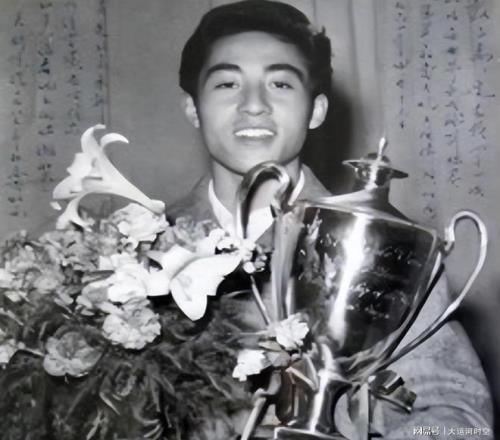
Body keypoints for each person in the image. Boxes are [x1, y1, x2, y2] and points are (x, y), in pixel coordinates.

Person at [170, 1, 493, 438]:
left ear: (316, 109)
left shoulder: (389, 251)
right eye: (228, 83)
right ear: (193, 108)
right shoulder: (137, 250)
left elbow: (465, 426)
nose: (254, 105)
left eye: (280, 84)